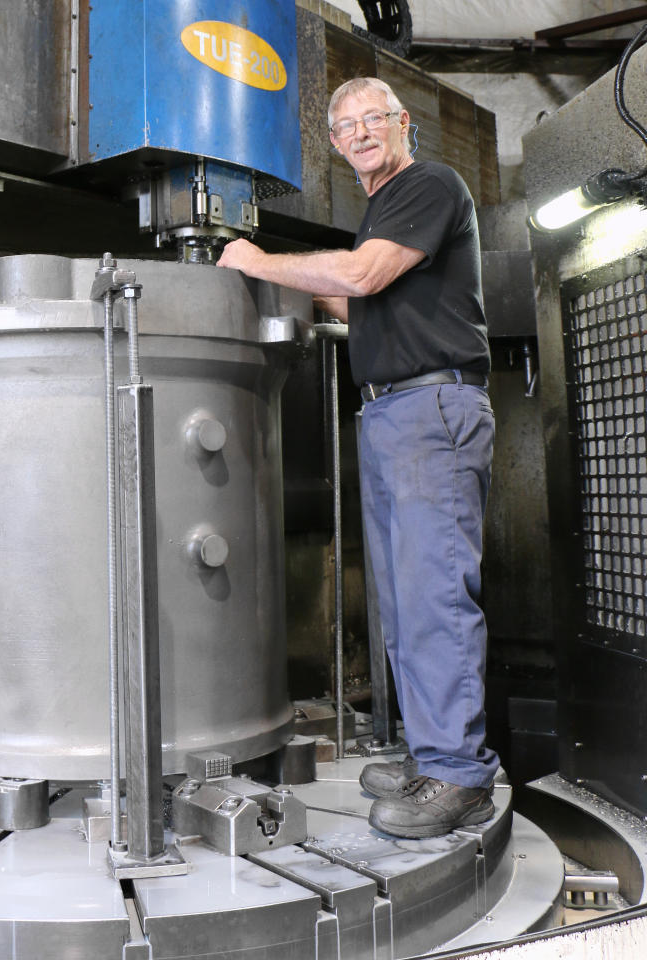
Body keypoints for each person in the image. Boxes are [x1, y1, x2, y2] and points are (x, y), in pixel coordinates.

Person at [217, 76, 497, 839]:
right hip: (392, 412)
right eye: (346, 126)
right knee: (404, 600)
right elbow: (356, 298)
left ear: (404, 124)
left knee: (434, 590)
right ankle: (433, 752)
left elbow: (360, 275)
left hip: (430, 408)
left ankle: (458, 775)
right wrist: (290, 288)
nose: (362, 133)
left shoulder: (427, 183)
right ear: (336, 146)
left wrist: (257, 260)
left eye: (374, 118)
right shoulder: (384, 210)